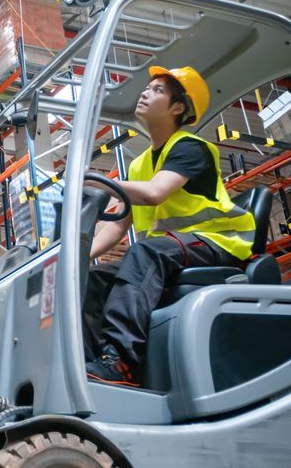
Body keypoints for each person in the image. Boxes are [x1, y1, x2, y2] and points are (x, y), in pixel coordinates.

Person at [83, 65, 255, 386]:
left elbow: (155, 192)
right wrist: (76, 257)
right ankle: (95, 365)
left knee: (144, 252)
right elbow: (119, 227)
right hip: (172, 250)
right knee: (90, 279)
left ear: (178, 108)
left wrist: (96, 182)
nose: (146, 92)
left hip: (217, 242)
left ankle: (121, 360)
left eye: (158, 90)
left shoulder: (190, 147)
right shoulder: (139, 163)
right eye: (147, 88)